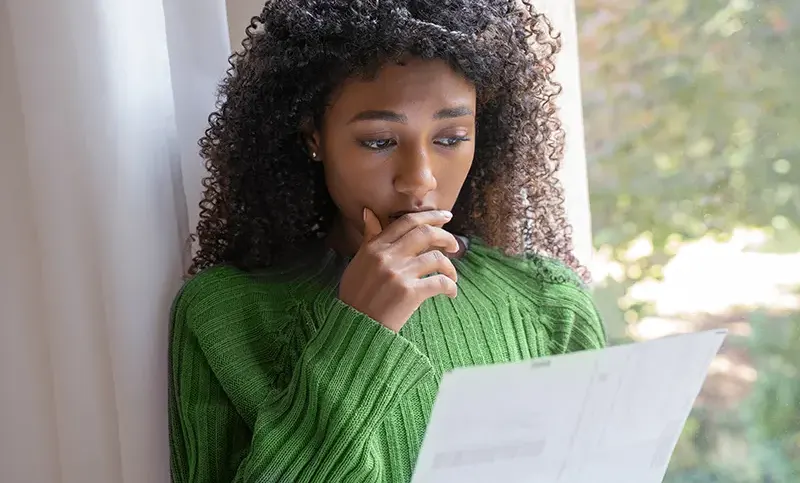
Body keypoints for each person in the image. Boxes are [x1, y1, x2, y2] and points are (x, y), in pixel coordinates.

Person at [168, 0, 607, 481]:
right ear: (313, 136)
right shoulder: (226, 314)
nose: (419, 179)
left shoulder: (549, 303)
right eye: (379, 141)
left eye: (451, 137)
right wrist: (358, 334)